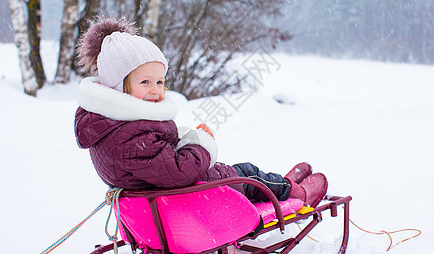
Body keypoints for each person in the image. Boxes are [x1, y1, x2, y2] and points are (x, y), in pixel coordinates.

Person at [74, 17, 328, 207]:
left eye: (160, 82)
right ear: (119, 88)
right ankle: (295, 193)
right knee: (247, 173)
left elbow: (157, 161)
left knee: (245, 176)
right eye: (145, 83)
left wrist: (184, 140)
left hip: (171, 199)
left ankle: (280, 186)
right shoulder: (128, 137)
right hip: (192, 202)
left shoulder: (113, 126)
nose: (155, 90)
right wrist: (200, 144)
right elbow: (179, 171)